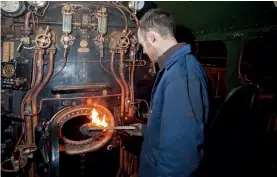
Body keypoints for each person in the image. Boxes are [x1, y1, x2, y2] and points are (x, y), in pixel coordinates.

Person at [126, 9, 210, 177]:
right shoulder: (173, 69)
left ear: (152, 37)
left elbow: (180, 154)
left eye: (143, 45)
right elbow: (171, 127)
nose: (145, 52)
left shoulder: (181, 76)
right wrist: (145, 130)